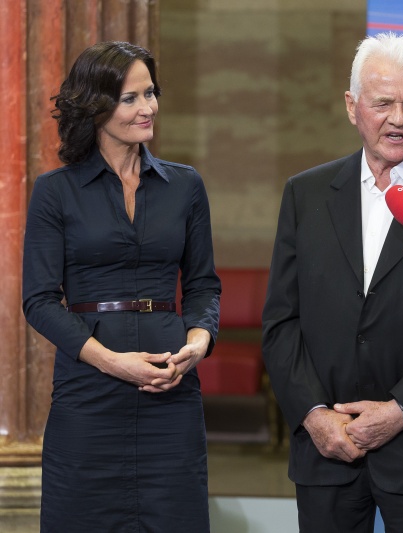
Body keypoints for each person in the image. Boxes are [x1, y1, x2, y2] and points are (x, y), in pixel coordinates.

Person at [261, 32, 403, 532]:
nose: (399, 119)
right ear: (352, 106)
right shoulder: (306, 194)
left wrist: (402, 410)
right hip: (327, 450)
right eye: (383, 103)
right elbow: (281, 321)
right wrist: (314, 415)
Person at [22, 41, 221, 532]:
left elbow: (202, 287)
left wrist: (198, 344)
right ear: (96, 106)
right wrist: (112, 363)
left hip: (171, 393)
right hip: (88, 394)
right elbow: (40, 301)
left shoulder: (186, 186)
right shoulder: (55, 191)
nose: (147, 107)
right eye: (130, 98)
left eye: (150, 93)